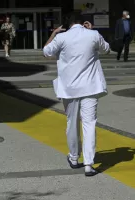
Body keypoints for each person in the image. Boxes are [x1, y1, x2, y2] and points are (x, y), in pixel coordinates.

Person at [43, 13, 110, 177]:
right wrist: (92, 31)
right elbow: (106, 50)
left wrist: (54, 33)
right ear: (84, 23)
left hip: (69, 89)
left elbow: (46, 51)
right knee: (89, 124)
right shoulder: (93, 35)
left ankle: (74, 158)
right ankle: (89, 164)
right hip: (90, 88)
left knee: (72, 123)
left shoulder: (62, 37)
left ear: (68, 24)